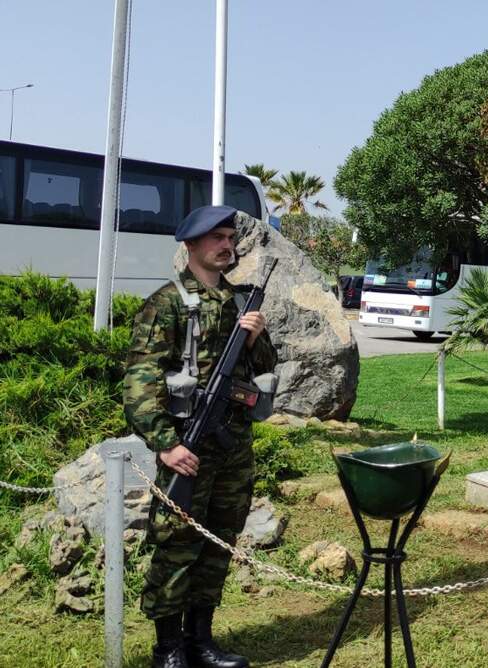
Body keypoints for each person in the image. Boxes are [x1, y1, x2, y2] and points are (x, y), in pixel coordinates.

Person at [125, 205, 277, 668]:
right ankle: (168, 649)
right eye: (217, 239)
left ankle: (201, 642)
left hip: (233, 449)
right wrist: (166, 445)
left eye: (230, 238)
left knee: (218, 542)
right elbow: (140, 384)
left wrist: (255, 337)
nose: (227, 245)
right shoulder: (167, 304)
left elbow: (264, 367)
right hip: (187, 448)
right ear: (191, 245)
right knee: (176, 545)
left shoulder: (240, 303)